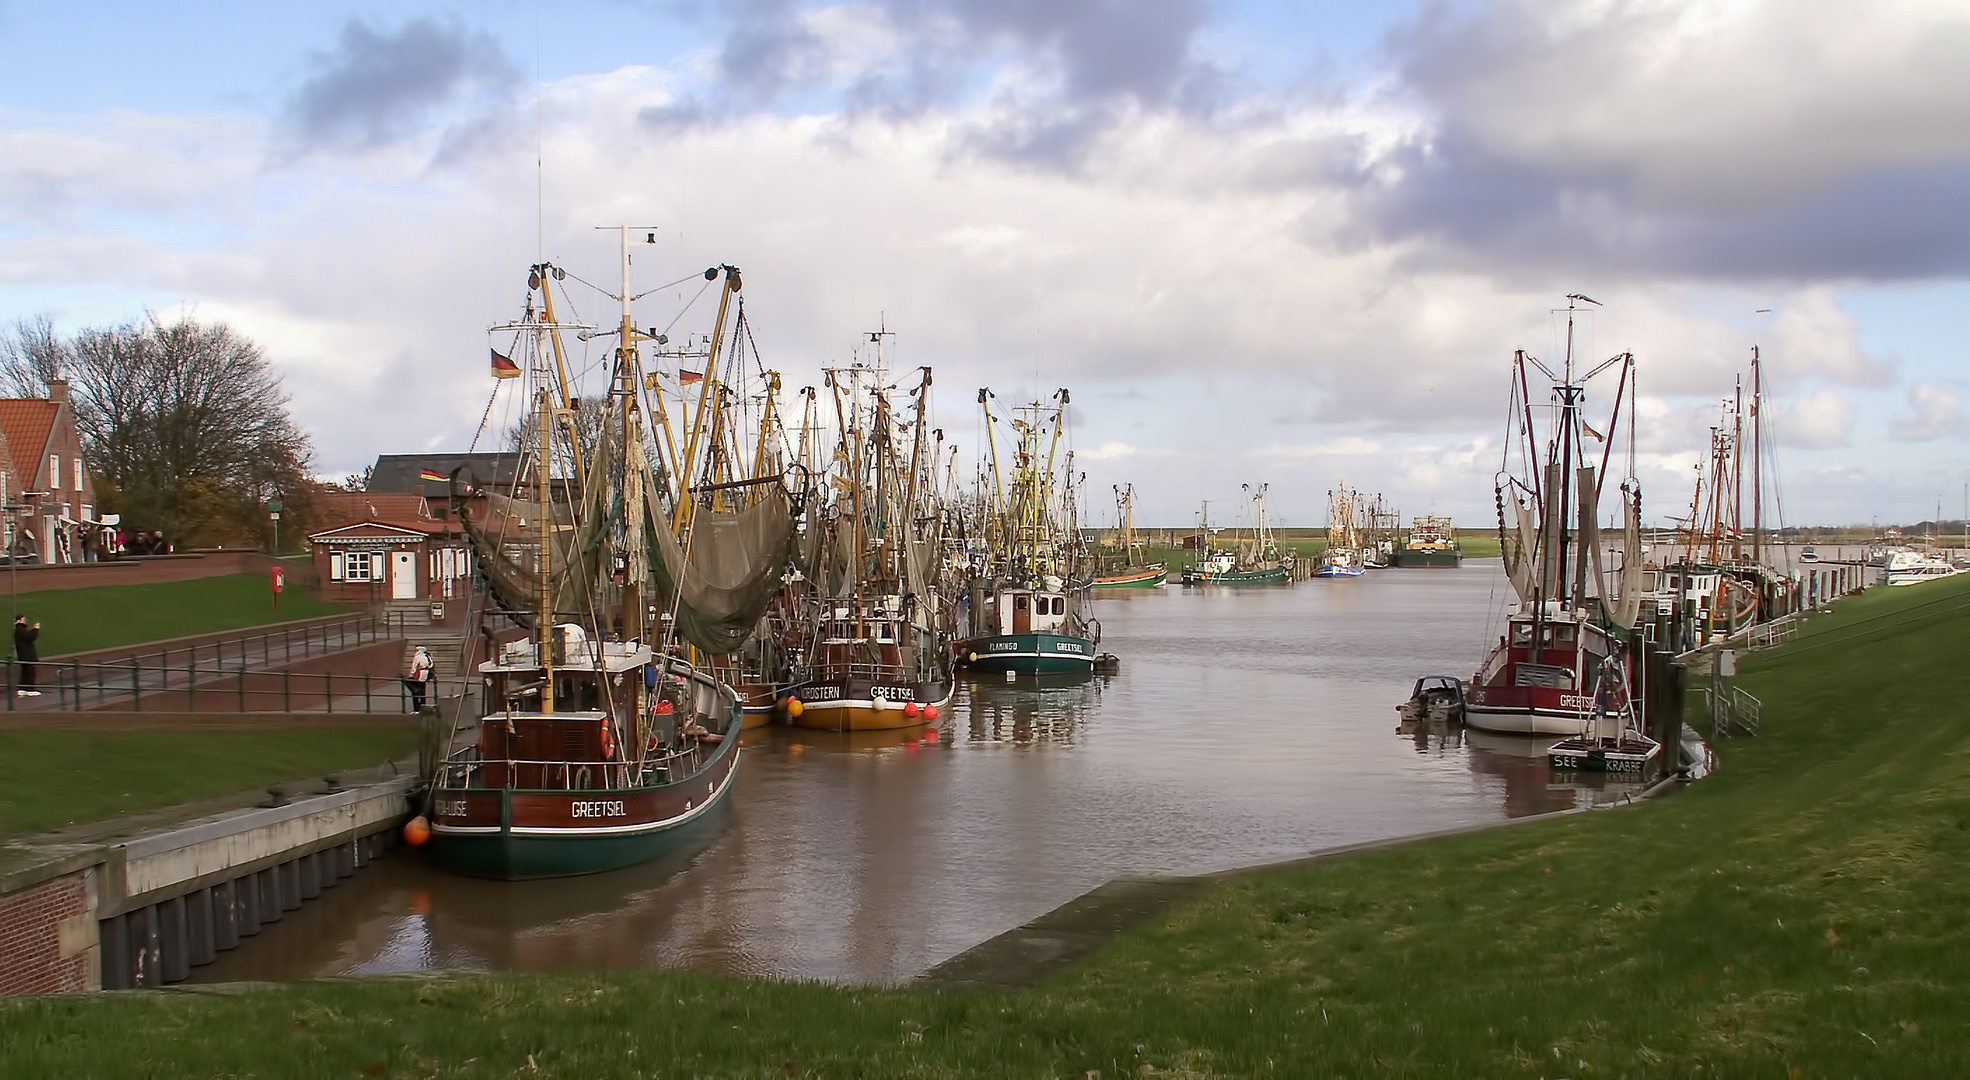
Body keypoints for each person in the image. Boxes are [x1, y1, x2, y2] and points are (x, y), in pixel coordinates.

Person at [14, 615, 39, 697]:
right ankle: (30, 690)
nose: (24, 621)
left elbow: (27, 637)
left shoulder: (18, 630)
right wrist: (35, 629)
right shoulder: (21, 629)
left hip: (23, 655)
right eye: (23, 619)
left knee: (25, 672)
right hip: (28, 655)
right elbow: (30, 637)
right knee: (30, 672)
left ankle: (22, 689)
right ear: (19, 620)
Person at [404, 646, 433, 712]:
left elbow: (414, 667)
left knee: (416, 689)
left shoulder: (417, 657)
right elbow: (431, 664)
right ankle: (423, 704)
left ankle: (417, 707)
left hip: (419, 673)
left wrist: (411, 674)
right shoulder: (427, 656)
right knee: (423, 689)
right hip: (426, 673)